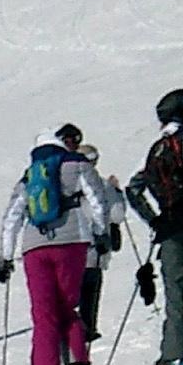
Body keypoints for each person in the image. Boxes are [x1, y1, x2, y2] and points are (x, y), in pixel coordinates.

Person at [0, 129, 112, 365]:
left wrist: (5, 257)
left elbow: (12, 217)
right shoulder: (78, 165)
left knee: (44, 312)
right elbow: (97, 200)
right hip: (72, 243)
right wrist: (101, 232)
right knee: (68, 307)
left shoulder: (29, 175)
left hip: (35, 247)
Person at [126, 88, 183, 365]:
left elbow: (133, 188)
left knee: (174, 294)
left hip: (169, 230)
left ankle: (173, 353)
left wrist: (154, 220)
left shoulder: (158, 147)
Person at [73, 144, 126, 343]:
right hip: (95, 251)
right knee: (90, 295)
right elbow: (117, 215)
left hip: (68, 249)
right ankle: (87, 330)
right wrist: (117, 192)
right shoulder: (102, 185)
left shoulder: (64, 184)